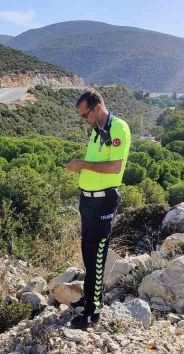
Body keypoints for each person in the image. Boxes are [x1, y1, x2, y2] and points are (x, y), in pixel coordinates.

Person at [63, 89, 131, 330]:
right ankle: (90, 297)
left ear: (97, 107)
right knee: (87, 253)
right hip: (88, 201)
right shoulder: (97, 131)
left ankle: (93, 312)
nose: (85, 120)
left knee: (97, 255)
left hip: (103, 202)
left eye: (85, 115)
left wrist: (82, 165)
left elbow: (114, 167)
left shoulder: (118, 128)